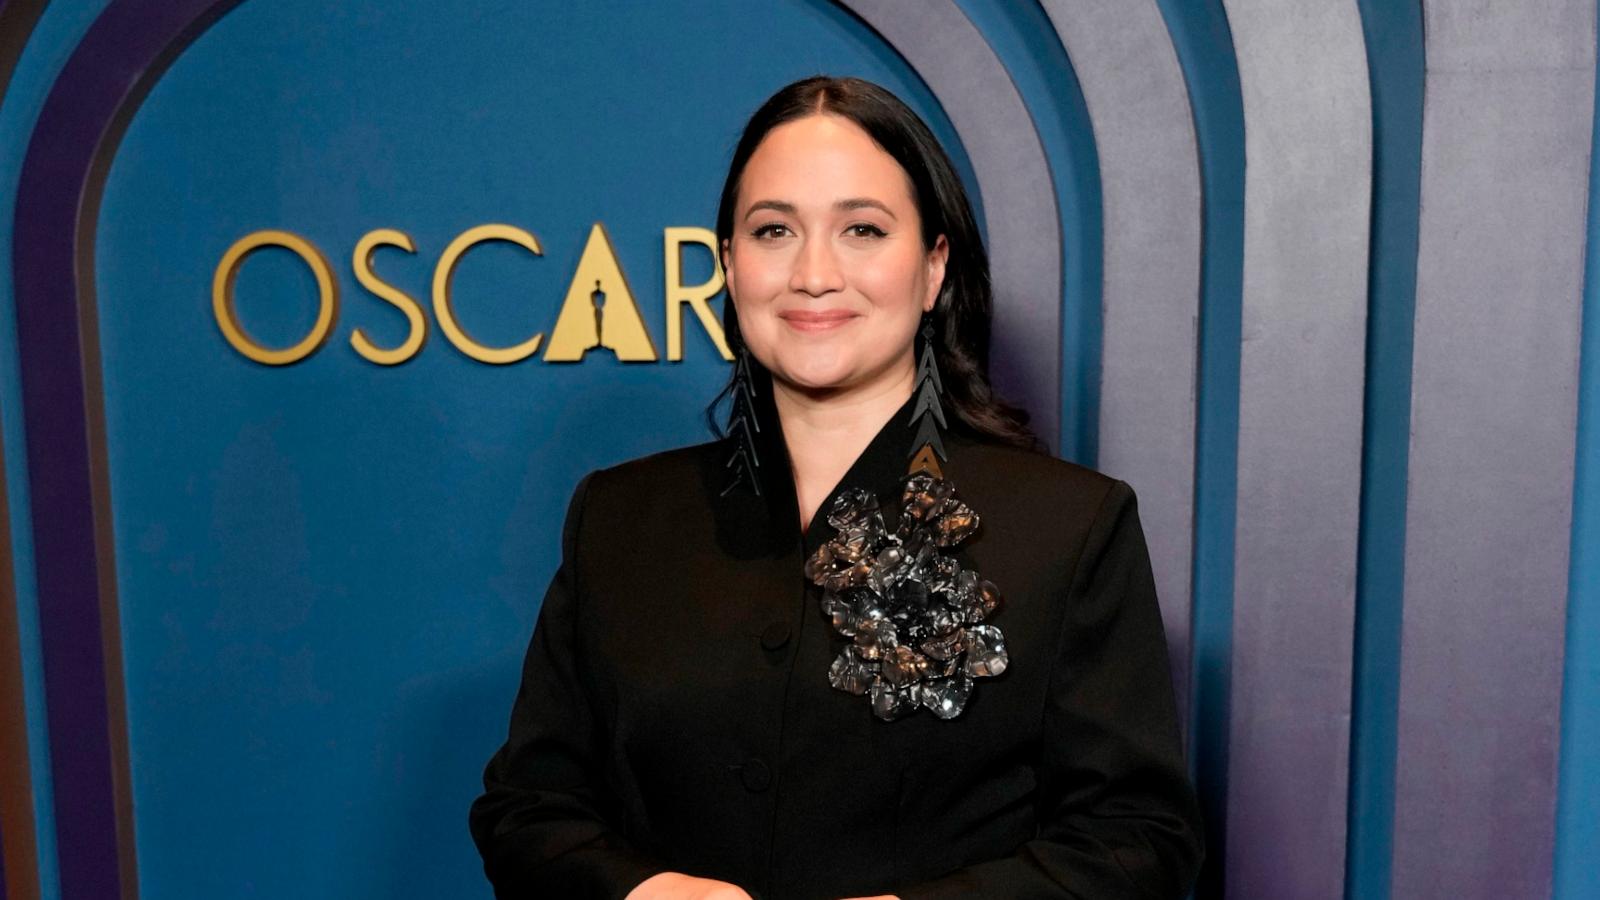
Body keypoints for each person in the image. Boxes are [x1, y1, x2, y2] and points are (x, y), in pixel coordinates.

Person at [468, 75, 1203, 900]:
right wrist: (644, 892)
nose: (814, 274)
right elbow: (527, 810)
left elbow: (1138, 843)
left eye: (862, 229)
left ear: (933, 269)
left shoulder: (1071, 527)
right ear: (729, 266)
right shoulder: (620, 518)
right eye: (774, 229)